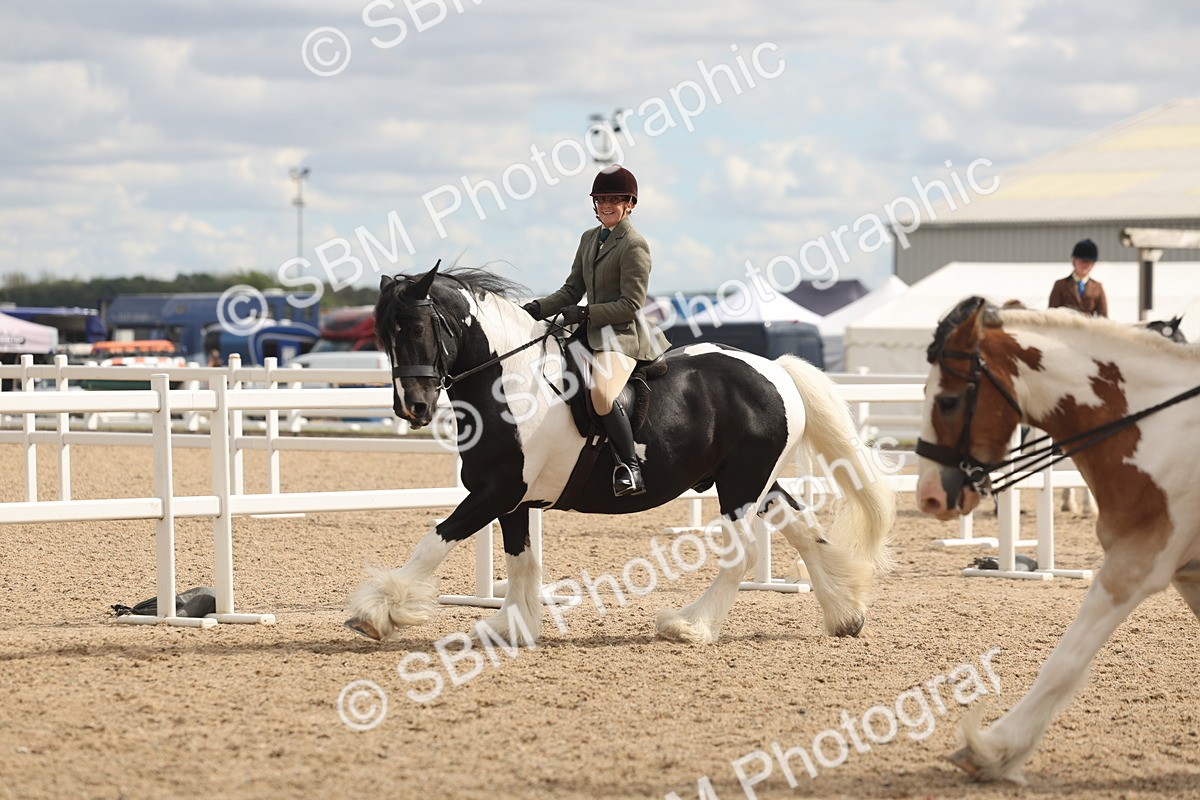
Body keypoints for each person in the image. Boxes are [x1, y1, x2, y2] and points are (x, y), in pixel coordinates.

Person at [522, 165, 670, 497]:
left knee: (602, 394)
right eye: (601, 199)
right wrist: (536, 308)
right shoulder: (589, 238)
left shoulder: (634, 245)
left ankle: (630, 467)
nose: (607, 205)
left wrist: (587, 312)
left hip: (623, 336)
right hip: (589, 331)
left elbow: (631, 304)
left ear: (629, 204)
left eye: (615, 200)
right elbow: (571, 289)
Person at [1048, 238, 1107, 317]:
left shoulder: (1097, 287)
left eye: (1089, 261)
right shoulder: (1060, 285)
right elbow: (1051, 314)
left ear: (1093, 264)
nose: (1084, 265)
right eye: (1081, 260)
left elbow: (1103, 317)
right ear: (1074, 261)